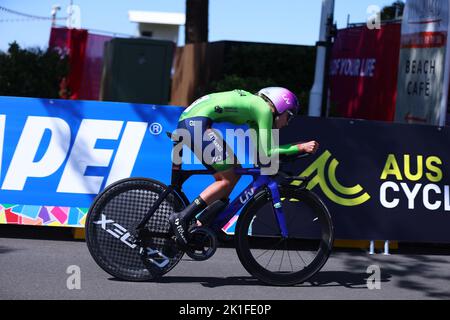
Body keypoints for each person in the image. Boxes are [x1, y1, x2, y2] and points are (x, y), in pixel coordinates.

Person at [169, 87, 319, 245]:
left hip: (192, 121)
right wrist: (300, 147)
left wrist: (292, 149)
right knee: (228, 178)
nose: (287, 123)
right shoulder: (263, 109)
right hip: (195, 123)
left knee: (232, 174)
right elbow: (267, 151)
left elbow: (262, 155)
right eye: (289, 116)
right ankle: (182, 218)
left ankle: (204, 224)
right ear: (280, 107)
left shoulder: (256, 110)